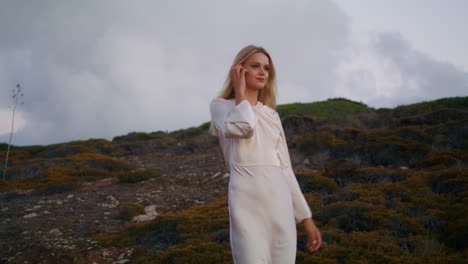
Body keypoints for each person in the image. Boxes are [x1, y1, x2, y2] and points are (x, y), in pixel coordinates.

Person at [209, 44, 322, 263]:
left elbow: (286, 169)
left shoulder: (271, 115)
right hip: (246, 203)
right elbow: (243, 127)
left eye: (266, 68)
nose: (262, 72)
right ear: (239, 70)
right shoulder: (221, 107)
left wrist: (306, 218)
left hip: (279, 203)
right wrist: (241, 93)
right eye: (255, 66)